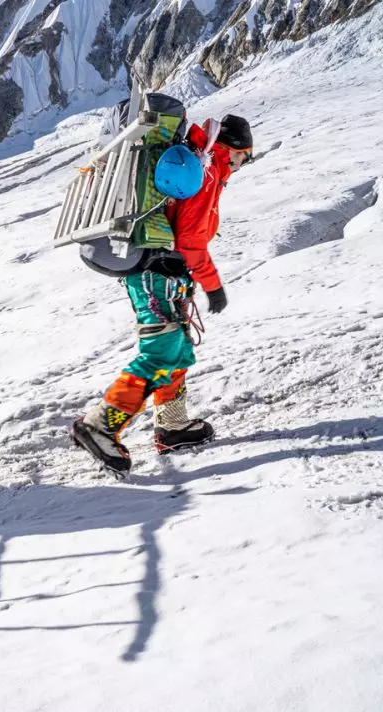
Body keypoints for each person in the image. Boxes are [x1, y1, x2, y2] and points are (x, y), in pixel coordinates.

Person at [72, 109, 253, 476]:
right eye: (245, 156)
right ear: (233, 149)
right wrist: (213, 286)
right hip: (160, 275)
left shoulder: (199, 162)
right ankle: (101, 425)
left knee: (178, 346)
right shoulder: (206, 171)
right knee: (161, 351)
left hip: (160, 274)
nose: (242, 165)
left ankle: (172, 426)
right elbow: (190, 241)